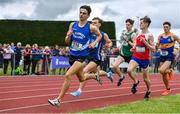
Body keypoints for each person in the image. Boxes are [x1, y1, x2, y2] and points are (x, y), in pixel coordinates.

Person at [48, 5, 102, 106]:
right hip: (72, 55)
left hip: (82, 57)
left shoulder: (91, 27)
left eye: (84, 13)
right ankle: (95, 76)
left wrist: (95, 42)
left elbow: (100, 35)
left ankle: (58, 100)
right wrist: (68, 35)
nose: (81, 14)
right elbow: (67, 42)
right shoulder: (73, 25)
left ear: (88, 15)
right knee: (82, 78)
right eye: (80, 12)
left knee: (68, 75)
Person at [70, 17, 112, 97]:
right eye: (92, 23)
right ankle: (108, 74)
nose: (93, 24)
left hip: (95, 58)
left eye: (95, 23)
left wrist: (108, 46)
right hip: (86, 56)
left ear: (99, 24)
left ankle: (79, 91)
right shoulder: (88, 32)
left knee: (84, 72)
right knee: (98, 73)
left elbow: (109, 42)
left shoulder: (103, 35)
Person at [127, 16, 155, 100]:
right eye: (140, 22)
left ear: (146, 24)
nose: (140, 24)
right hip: (136, 56)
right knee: (129, 70)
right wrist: (134, 47)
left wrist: (145, 42)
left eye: (142, 23)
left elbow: (153, 49)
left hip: (144, 59)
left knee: (145, 78)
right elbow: (136, 43)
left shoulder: (149, 35)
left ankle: (149, 90)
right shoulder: (138, 33)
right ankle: (136, 81)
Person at [107, 18, 137, 86]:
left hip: (131, 55)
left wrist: (128, 41)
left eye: (128, 25)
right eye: (126, 25)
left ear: (132, 25)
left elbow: (134, 45)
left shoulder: (133, 34)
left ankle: (135, 82)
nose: (127, 26)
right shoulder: (124, 32)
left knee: (130, 71)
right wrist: (119, 47)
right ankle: (121, 76)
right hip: (123, 54)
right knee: (114, 66)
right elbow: (123, 42)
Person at [157, 21, 180, 96]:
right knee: (163, 73)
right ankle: (167, 89)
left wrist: (177, 50)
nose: (165, 28)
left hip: (170, 56)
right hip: (162, 56)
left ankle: (170, 70)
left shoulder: (173, 36)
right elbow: (158, 46)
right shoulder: (160, 36)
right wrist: (158, 47)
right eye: (164, 27)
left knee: (161, 70)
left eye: (167, 27)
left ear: (170, 28)